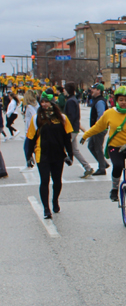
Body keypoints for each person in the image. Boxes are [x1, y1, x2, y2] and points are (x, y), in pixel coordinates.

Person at [81, 86, 126, 201]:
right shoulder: (109, 113)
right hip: (115, 147)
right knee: (117, 166)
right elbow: (98, 127)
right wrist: (85, 135)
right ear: (116, 100)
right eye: (121, 100)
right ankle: (114, 189)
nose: (123, 103)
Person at [26, 91, 74, 219]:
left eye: (47, 102)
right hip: (42, 155)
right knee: (44, 181)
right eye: (42, 102)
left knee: (57, 181)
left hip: (58, 154)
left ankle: (55, 201)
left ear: (52, 102)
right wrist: (28, 156)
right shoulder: (36, 118)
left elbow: (67, 138)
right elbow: (30, 138)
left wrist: (70, 154)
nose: (44, 104)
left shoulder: (62, 118)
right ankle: (46, 209)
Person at [64, 82, 94, 178]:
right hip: (74, 128)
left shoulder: (70, 101)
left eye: (64, 89)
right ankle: (88, 168)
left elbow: (71, 117)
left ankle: (53, 169)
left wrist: (66, 128)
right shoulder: (73, 100)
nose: (63, 91)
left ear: (67, 90)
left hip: (71, 129)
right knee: (75, 150)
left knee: (61, 147)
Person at [87, 83, 109, 176]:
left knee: (97, 148)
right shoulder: (96, 100)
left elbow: (101, 116)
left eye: (94, 89)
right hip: (96, 128)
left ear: (98, 91)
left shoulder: (100, 102)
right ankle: (103, 163)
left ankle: (102, 168)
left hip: (99, 128)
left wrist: (97, 127)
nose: (92, 90)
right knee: (91, 146)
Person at [20, 90, 39, 171]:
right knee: (33, 148)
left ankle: (29, 164)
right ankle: (32, 163)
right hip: (33, 129)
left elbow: (34, 116)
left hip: (31, 130)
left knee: (27, 148)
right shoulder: (36, 104)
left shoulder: (29, 107)